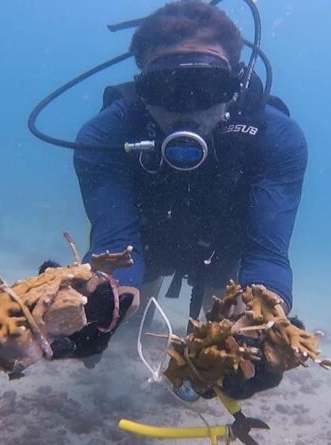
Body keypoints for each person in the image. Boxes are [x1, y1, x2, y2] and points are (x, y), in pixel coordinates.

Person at [50, 1, 309, 399]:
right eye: (167, 89)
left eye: (206, 87)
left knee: (233, 326)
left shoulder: (277, 138)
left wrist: (263, 319)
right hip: (143, 245)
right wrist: (101, 301)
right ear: (142, 87)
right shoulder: (103, 137)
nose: (188, 108)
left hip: (225, 251)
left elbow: (268, 254)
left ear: (235, 83)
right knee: (118, 311)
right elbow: (115, 243)